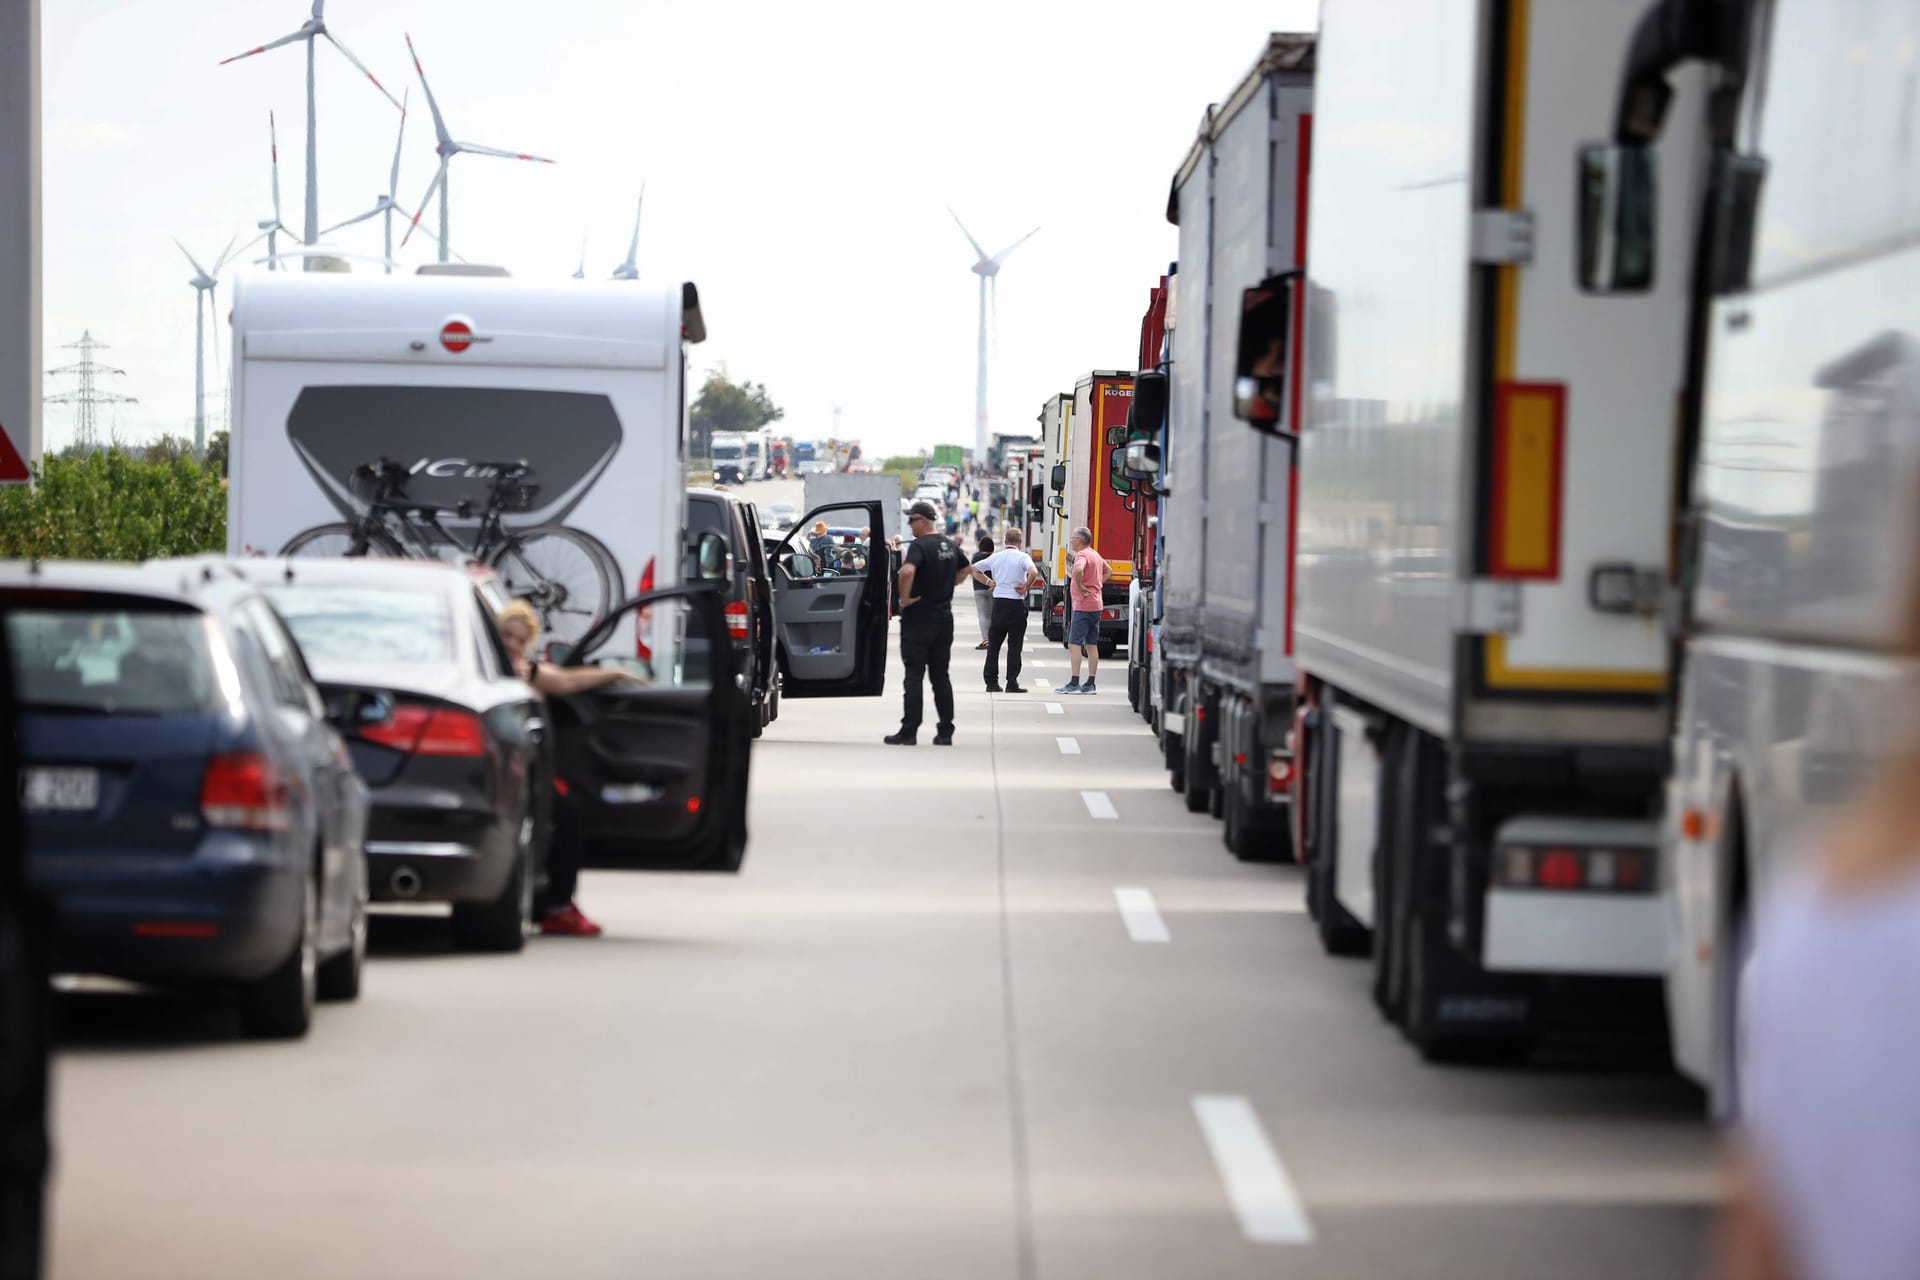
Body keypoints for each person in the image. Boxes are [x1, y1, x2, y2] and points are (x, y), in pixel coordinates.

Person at [496, 599, 634, 937]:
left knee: (568, 815)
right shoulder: (489, 672)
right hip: (502, 772)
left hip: (529, 772)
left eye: (519, 639)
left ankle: (555, 903)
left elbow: (567, 681)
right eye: (505, 637)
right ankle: (557, 906)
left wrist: (613, 673)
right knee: (566, 816)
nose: (512, 645)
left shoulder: (528, 672)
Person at [888, 500, 961, 746]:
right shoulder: (949, 545)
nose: (909, 525)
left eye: (912, 520)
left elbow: (906, 572)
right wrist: (948, 583)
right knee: (941, 675)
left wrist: (905, 599)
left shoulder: (920, 546)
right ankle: (945, 731)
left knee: (914, 675)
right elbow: (966, 569)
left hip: (918, 619)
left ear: (923, 521)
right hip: (943, 619)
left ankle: (909, 731)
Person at [963, 527, 1044, 693]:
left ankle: (991, 682)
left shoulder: (996, 557)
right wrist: (1026, 586)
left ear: (1006, 541)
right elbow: (1033, 571)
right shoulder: (1023, 557)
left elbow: (973, 569)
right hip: (1016, 605)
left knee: (994, 646)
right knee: (1014, 646)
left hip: (999, 605)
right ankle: (1012, 682)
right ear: (1020, 543)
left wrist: (989, 582)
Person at [1059, 526, 1111, 695]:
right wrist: (1098, 584)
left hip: (1083, 605)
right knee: (1091, 644)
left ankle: (1074, 682)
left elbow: (1079, 569)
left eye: (1073, 538)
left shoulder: (1081, 555)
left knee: (1074, 644)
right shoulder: (1094, 554)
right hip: (1096, 604)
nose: (1071, 540)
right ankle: (1090, 683)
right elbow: (1108, 570)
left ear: (1080, 541)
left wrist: (1081, 586)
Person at [969, 533, 995, 650]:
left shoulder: (975, 557)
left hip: (979, 589)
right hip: (993, 589)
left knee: (982, 615)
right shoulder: (994, 558)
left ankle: (985, 640)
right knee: (991, 615)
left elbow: (972, 571)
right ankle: (992, 639)